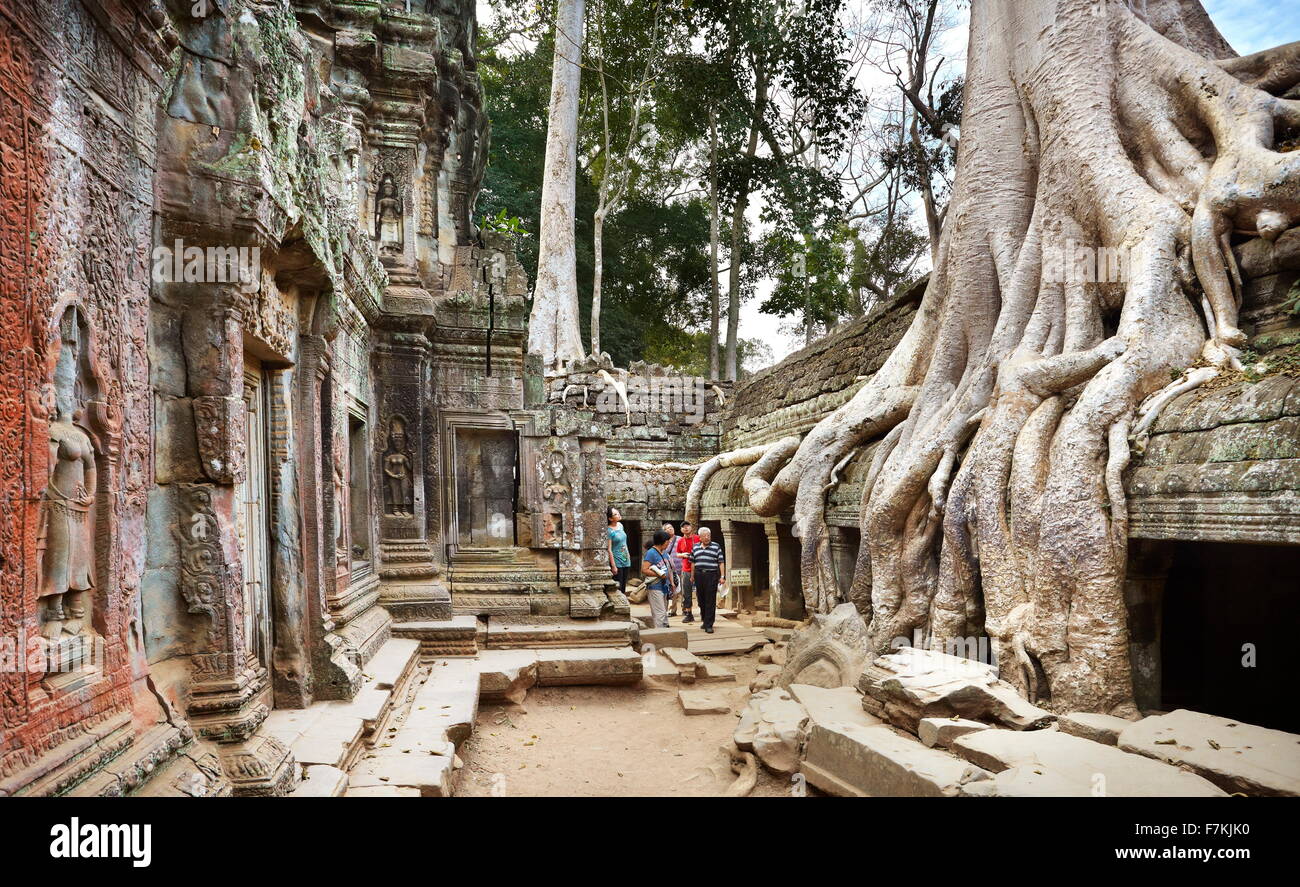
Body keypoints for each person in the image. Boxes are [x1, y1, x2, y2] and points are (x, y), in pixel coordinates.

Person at [690, 527, 726, 633]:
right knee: (701, 600)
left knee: (710, 599)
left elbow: (721, 562)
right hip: (699, 575)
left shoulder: (716, 546)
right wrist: (692, 576)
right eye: (704, 536)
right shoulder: (695, 547)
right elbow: (692, 562)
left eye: (708, 535)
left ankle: (709, 624)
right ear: (700, 537)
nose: (707, 537)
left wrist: (722, 576)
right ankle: (705, 620)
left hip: (711, 575)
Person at [642, 530, 674, 629]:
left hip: (664, 585)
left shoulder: (664, 552)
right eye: (667, 541)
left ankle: (665, 629)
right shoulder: (651, 553)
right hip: (655, 586)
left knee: (663, 610)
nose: (668, 543)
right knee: (659, 612)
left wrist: (672, 582)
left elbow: (668, 567)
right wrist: (659, 575)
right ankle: (660, 632)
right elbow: (644, 569)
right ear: (662, 541)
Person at [675, 520, 700, 624]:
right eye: (683, 527)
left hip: (699, 568)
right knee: (686, 592)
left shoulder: (698, 538)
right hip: (686, 569)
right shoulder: (680, 541)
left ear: (691, 527)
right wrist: (683, 555)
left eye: (687, 526)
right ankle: (689, 614)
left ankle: (703, 611)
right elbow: (677, 554)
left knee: (701, 591)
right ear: (681, 530)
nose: (686, 528)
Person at [607, 507, 631, 597]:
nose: (619, 514)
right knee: (618, 585)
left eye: (618, 513)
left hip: (626, 559)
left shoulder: (621, 525)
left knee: (624, 584)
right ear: (610, 518)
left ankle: (623, 603)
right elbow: (609, 549)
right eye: (615, 514)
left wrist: (628, 555)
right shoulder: (609, 531)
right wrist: (613, 566)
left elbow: (624, 542)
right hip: (617, 560)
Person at [661, 522, 683, 616]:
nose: (670, 529)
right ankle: (672, 610)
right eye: (667, 528)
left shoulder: (680, 539)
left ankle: (686, 609)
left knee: (683, 590)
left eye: (671, 527)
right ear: (664, 531)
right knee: (673, 590)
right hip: (670, 570)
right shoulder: (663, 541)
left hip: (681, 568)